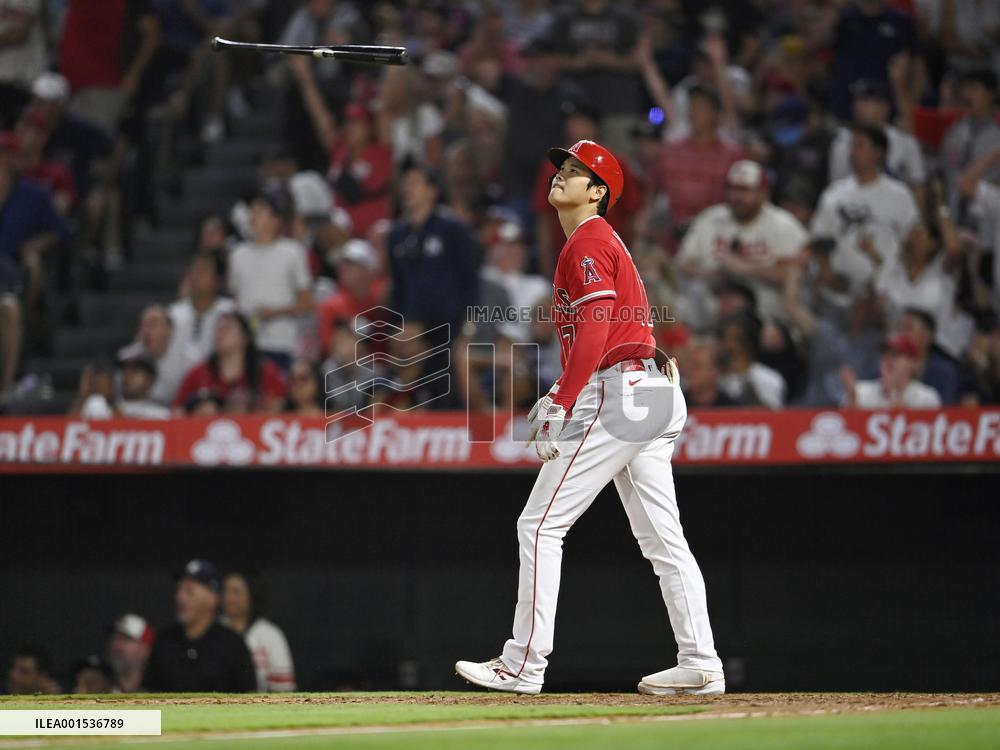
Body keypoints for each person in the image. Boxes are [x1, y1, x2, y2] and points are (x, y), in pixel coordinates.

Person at [455, 140, 724, 696]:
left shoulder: (588, 240)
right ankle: (701, 662)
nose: (561, 177)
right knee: (663, 542)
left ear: (598, 191)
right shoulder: (598, 242)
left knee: (540, 524)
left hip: (622, 391)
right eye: (561, 168)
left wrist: (561, 398)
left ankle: (523, 665)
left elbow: (599, 330)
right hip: (646, 389)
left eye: (576, 172)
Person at [679, 160, 808, 324]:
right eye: (731, 188)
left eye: (744, 190)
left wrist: (745, 269)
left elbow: (799, 275)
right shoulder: (710, 218)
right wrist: (710, 273)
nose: (735, 196)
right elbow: (684, 264)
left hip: (766, 320)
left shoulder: (784, 226)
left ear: (763, 193)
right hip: (711, 314)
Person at [810, 123, 920, 300]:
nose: (852, 152)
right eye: (852, 146)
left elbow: (914, 243)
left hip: (884, 295)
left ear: (878, 153)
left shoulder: (900, 195)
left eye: (860, 146)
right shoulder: (835, 193)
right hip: (838, 295)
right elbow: (820, 238)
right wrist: (827, 276)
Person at [228, 185, 314, 372]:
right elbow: (236, 299)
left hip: (282, 342)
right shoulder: (237, 254)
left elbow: (307, 303)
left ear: (276, 220)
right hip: (246, 345)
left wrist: (272, 312)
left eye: (259, 211)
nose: (253, 216)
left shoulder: (292, 252)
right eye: (252, 211)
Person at [143, 559, 256, 693]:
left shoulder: (232, 644)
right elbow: (147, 696)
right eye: (178, 589)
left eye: (189, 591)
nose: (180, 597)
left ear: (213, 598)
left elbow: (250, 698)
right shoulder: (164, 641)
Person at [651, 84, 745, 233]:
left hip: (716, 233)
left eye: (700, 107)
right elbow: (651, 192)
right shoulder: (670, 151)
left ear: (716, 114)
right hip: (674, 233)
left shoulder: (732, 155)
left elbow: (740, 200)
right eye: (691, 106)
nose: (693, 112)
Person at [173, 311, 287, 414]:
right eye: (218, 329)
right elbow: (177, 412)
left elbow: (281, 409)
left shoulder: (266, 372)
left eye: (227, 328)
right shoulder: (198, 374)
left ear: (245, 338)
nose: (220, 333)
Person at [828, 79, 926, 198]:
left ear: (885, 107)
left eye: (866, 101)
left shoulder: (906, 142)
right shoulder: (842, 141)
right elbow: (836, 187)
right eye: (856, 101)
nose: (858, 106)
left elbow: (918, 186)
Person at [221, 571, 296, 692]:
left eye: (236, 591)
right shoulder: (213, 630)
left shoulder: (269, 634)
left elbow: (283, 688)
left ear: (251, 595)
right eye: (225, 590)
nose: (228, 598)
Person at [841, 333, 942, 408]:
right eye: (885, 353)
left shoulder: (926, 397)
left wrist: (907, 415)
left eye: (896, 354)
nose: (888, 359)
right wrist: (853, 403)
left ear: (913, 362)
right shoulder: (860, 392)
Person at [106, 613, 156, 693]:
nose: (116, 645)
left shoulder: (160, 693)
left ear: (146, 649)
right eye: (114, 638)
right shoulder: (96, 690)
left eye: (126, 639)